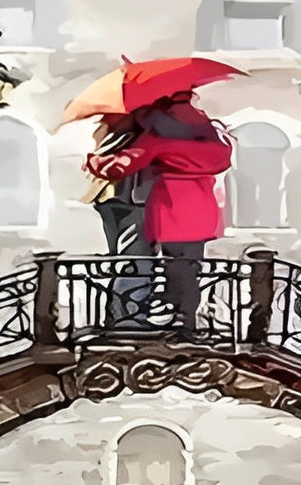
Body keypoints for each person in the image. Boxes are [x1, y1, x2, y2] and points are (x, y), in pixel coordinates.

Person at [85, 93, 233, 334]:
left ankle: (130, 322)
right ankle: (184, 323)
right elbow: (222, 159)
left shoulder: (156, 138)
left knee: (139, 262)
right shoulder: (210, 134)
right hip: (198, 212)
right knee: (186, 269)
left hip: (161, 207)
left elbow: (123, 164)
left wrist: (96, 163)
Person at [82, 113, 156, 326]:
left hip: (109, 198)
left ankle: (119, 313)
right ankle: (128, 317)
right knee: (136, 257)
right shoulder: (146, 129)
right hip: (133, 198)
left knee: (123, 257)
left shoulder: (108, 127)